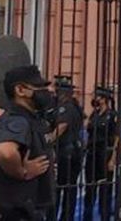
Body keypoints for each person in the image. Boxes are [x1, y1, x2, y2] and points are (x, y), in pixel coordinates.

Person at [0, 65, 57, 220]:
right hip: (17, 213)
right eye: (39, 87)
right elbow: (4, 152)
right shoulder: (17, 120)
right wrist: (22, 171)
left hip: (30, 210)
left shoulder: (32, 119)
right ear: (20, 90)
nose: (47, 91)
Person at [84, 86, 120, 221]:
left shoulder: (112, 115)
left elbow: (117, 137)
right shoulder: (95, 114)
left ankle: (104, 216)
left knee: (105, 188)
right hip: (92, 152)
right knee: (90, 187)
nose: (95, 99)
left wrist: (113, 158)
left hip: (105, 152)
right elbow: (88, 130)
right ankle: (87, 217)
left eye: (97, 96)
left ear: (104, 99)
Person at [53, 75, 85, 221]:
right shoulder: (76, 106)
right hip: (76, 150)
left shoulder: (65, 107)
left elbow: (62, 126)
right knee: (70, 187)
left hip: (67, 151)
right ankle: (68, 217)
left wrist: (47, 140)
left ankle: (59, 217)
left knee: (61, 187)